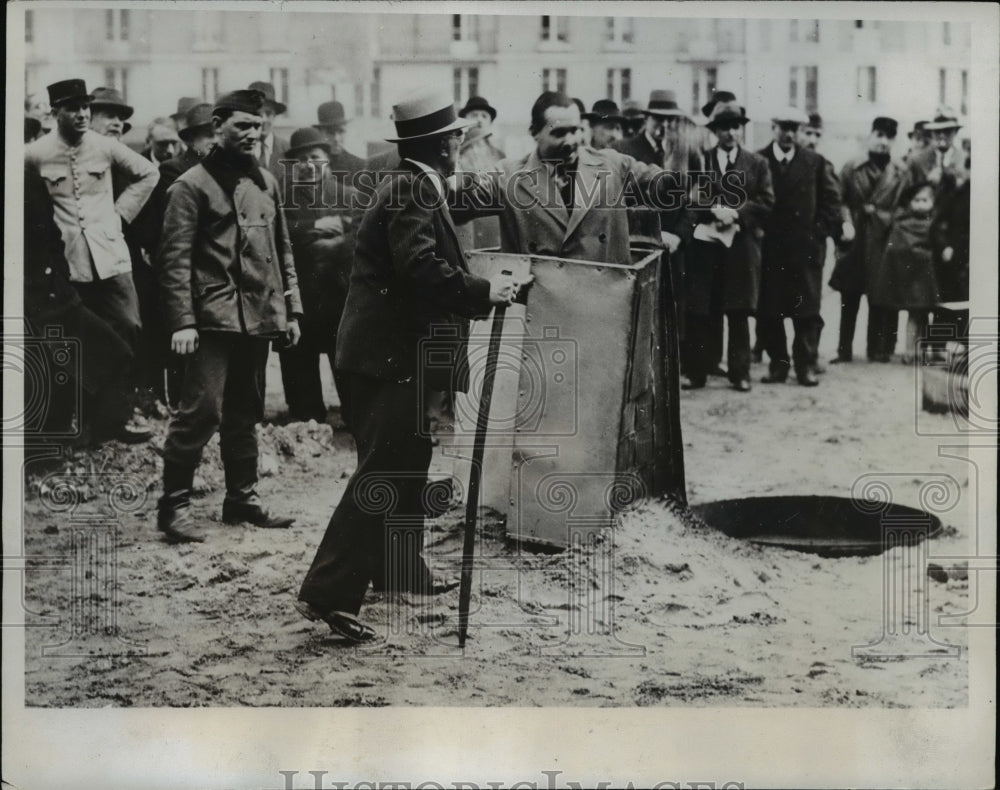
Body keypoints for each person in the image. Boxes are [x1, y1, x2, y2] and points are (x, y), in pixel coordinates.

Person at [296, 92, 521, 642]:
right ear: (444, 145)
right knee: (383, 471)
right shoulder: (410, 189)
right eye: (457, 137)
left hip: (394, 355)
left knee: (407, 464)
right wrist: (484, 291)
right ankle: (327, 593)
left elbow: (445, 222)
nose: (461, 144)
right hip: (386, 359)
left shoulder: (417, 184)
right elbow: (419, 266)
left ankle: (399, 568)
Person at [156, 89, 303, 544]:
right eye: (242, 125)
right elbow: (174, 261)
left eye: (257, 126)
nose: (253, 133)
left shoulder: (266, 182)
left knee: (246, 411)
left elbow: (282, 250)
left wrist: (291, 311)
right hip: (211, 319)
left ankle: (242, 500)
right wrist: (182, 321)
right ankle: (174, 508)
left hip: (256, 317)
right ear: (217, 127)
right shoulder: (190, 186)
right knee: (200, 412)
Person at [25, 78, 159, 439]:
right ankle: (81, 422)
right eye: (73, 108)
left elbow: (149, 173)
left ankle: (115, 419)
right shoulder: (34, 154)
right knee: (80, 343)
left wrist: (119, 215)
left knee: (129, 327)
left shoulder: (105, 146)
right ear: (56, 113)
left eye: (86, 107)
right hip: (68, 264)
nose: (82, 114)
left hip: (111, 258)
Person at [23, 161, 144, 444]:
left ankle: (102, 427)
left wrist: (59, 277)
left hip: (57, 291)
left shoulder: (30, 178)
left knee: (111, 350)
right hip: (30, 297)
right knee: (46, 366)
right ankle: (46, 441)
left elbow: (52, 238)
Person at [684, 94, 775, 393]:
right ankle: (699, 371)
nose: (730, 133)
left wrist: (736, 213)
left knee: (738, 311)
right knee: (703, 310)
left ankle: (740, 372)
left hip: (741, 247)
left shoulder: (757, 163)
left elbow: (766, 202)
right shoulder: (701, 160)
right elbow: (690, 198)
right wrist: (713, 209)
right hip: (706, 246)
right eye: (724, 127)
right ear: (715, 130)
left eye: (735, 126)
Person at [756, 108, 841, 387]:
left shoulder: (814, 162)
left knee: (806, 310)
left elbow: (832, 202)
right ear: (773, 128)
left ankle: (805, 366)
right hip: (770, 249)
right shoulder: (759, 160)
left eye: (794, 128)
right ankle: (778, 366)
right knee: (771, 310)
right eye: (784, 127)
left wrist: (817, 233)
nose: (789, 134)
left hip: (805, 249)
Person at [278, 126, 356, 423]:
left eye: (314, 156)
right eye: (301, 159)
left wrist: (336, 243)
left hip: (340, 294)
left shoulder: (349, 195)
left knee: (346, 360)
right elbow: (280, 234)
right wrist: (315, 227)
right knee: (300, 359)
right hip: (303, 295)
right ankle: (307, 417)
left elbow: (363, 237)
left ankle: (354, 414)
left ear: (327, 158)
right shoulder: (283, 199)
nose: (308, 164)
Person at [829, 116, 908, 363]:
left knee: (880, 294)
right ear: (870, 136)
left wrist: (883, 216)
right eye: (879, 135)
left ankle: (876, 349)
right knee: (849, 294)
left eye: (889, 137)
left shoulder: (900, 171)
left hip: (883, 238)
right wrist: (846, 221)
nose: (883, 141)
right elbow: (838, 198)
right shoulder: (852, 166)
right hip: (856, 237)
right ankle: (844, 349)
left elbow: (904, 206)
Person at [868, 181, 939, 364]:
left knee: (923, 315)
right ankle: (909, 351)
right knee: (915, 314)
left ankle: (921, 350)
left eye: (925, 200)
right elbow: (895, 249)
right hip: (912, 277)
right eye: (917, 200)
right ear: (910, 202)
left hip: (927, 277)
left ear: (932, 202)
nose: (920, 204)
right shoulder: (902, 223)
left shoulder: (935, 223)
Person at [907, 108, 968, 204]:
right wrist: (926, 183)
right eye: (938, 131)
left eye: (947, 131)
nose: (942, 136)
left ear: (956, 132)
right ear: (932, 133)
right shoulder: (917, 159)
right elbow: (908, 193)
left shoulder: (965, 159)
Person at [313, 100, 366, 186]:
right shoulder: (311, 167)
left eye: (341, 132)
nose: (336, 139)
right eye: (330, 133)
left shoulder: (360, 167)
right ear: (320, 133)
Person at [247, 81, 289, 178]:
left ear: (274, 115)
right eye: (258, 113)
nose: (264, 119)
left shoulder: (288, 149)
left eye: (268, 113)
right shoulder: (237, 150)